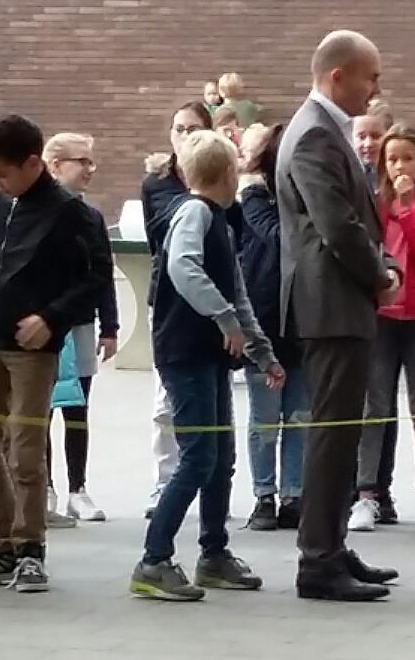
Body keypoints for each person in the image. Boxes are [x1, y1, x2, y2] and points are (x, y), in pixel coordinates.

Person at [0, 115, 113, 593]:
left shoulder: (69, 211)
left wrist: (52, 318)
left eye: (2, 173)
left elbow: (97, 274)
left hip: (32, 349)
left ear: (34, 163)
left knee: (24, 452)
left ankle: (30, 548)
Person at [130, 130, 282, 601]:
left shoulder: (221, 221)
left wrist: (261, 352)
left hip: (211, 357)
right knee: (198, 456)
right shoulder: (194, 213)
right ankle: (154, 560)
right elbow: (183, 267)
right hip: (185, 354)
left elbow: (238, 295)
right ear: (228, 174)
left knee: (221, 459)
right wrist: (223, 319)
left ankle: (213, 554)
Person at [277, 29, 400, 602]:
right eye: (370, 77)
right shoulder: (313, 136)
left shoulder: (323, 131)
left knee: (343, 430)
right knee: (333, 432)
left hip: (339, 299)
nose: (376, 89)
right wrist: (381, 276)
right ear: (338, 76)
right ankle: (318, 560)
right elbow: (336, 225)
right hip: (331, 302)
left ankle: (330, 544)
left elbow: (356, 220)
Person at [349, 126, 415, 533]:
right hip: (383, 317)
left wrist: (408, 211)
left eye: (407, 157)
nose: (399, 166)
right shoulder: (375, 203)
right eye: (392, 159)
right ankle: (366, 495)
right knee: (375, 407)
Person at [41, 133, 119, 524]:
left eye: (91, 161)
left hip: (82, 324)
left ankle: (78, 488)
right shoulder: (35, 212)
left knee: (77, 406)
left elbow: (103, 271)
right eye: (81, 161)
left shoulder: (91, 216)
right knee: (39, 409)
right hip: (44, 325)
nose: (90, 169)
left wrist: (111, 325)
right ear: (55, 166)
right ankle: (46, 488)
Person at [141, 101, 213, 518]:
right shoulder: (158, 183)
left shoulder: (220, 177)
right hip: (168, 303)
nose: (184, 136)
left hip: (210, 301)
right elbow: (162, 238)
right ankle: (165, 481)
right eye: (178, 129)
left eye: (193, 129)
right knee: (164, 400)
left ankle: (202, 478)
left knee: (207, 396)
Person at [239, 125, 309, 532]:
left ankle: (293, 494)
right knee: (265, 418)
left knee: (300, 415)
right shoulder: (255, 196)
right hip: (264, 322)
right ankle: (263, 494)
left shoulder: (307, 200)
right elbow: (278, 237)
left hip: (302, 322)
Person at [351, 102, 400, 524]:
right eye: (361, 136)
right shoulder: (352, 180)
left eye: (375, 136)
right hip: (364, 301)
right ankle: (362, 487)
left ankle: (380, 487)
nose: (368, 144)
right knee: (369, 402)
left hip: (395, 302)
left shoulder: (394, 186)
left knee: (386, 404)